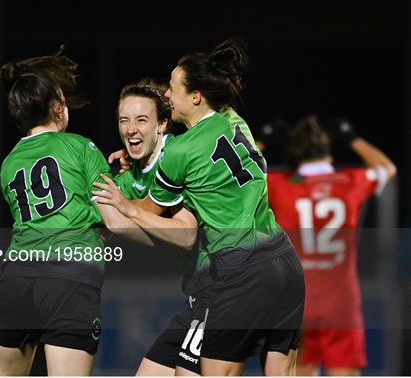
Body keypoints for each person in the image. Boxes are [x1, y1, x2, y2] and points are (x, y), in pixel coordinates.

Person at [93, 37, 305, 376]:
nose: (167, 95)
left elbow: (156, 217)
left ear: (195, 96)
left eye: (173, 89)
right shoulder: (232, 119)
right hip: (283, 259)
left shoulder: (180, 153)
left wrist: (118, 201)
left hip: (236, 271)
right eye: (124, 121)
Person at [0, 48, 152, 376]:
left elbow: (59, 207)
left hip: (18, 278)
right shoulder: (80, 147)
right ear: (56, 109)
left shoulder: (8, 164)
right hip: (70, 277)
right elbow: (114, 222)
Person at [266, 115, 397, 376]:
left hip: (296, 307)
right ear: (328, 154)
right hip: (341, 306)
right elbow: (387, 168)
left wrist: (263, 143)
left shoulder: (277, 184)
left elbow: (234, 177)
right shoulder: (350, 181)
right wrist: (353, 139)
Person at [110, 78, 203, 376]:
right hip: (195, 296)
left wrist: (125, 210)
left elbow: (186, 234)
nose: (131, 129)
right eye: (124, 120)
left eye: (141, 120)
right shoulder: (127, 177)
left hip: (226, 286)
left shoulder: (177, 157)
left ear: (162, 124)